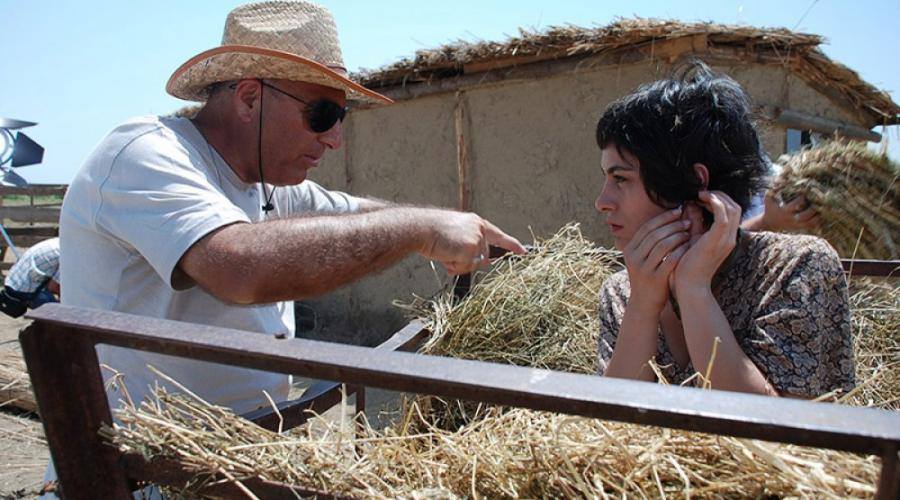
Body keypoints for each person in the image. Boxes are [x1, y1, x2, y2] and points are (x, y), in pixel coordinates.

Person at [59, 0, 525, 430]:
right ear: (249, 98)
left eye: (341, 119)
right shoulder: (144, 155)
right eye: (322, 115)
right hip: (138, 464)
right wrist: (421, 230)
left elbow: (355, 216)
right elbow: (240, 269)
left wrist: (449, 227)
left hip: (233, 454)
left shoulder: (268, 186)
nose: (334, 139)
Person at [593, 63, 854, 398]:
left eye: (620, 179)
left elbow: (771, 424)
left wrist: (693, 288)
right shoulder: (622, 292)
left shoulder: (794, 268)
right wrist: (643, 304)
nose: (602, 202)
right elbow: (609, 418)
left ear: (695, 181)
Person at [0, 237, 60, 318]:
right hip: (26, 290)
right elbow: (53, 287)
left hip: (13, 281)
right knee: (59, 315)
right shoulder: (69, 255)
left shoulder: (59, 242)